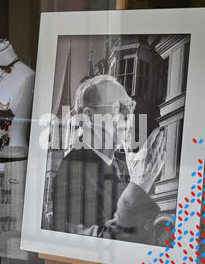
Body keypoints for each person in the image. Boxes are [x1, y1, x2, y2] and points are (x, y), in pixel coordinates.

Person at [45, 75, 166, 245]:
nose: (128, 114)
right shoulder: (73, 169)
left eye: (130, 105)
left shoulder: (124, 167)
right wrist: (139, 186)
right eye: (117, 107)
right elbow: (95, 246)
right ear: (88, 117)